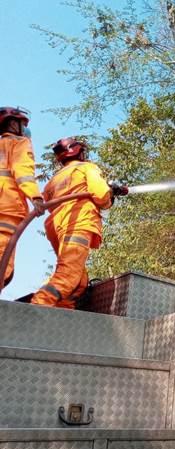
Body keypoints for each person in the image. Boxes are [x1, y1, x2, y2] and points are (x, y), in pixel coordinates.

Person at [31, 137, 126, 308]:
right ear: (77, 151)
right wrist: (110, 195)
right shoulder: (86, 167)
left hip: (57, 227)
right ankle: (38, 306)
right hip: (78, 221)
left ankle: (60, 315)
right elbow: (101, 194)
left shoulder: (54, 180)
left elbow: (51, 204)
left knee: (79, 282)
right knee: (68, 275)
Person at [0, 107, 44, 286]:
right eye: (22, 124)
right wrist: (36, 197)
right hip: (7, 207)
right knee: (3, 263)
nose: (25, 129)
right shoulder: (19, 143)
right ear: (12, 123)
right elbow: (23, 172)